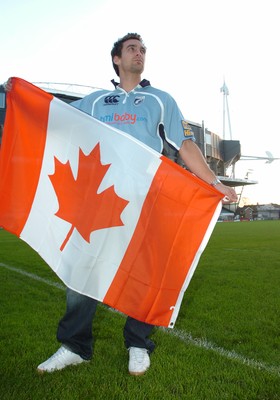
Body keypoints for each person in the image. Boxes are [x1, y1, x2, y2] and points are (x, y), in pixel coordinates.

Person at [4, 33, 237, 376]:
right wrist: (20, 93)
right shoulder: (97, 101)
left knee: (144, 274)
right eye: (132, 49)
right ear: (116, 59)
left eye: (143, 49)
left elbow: (185, 146)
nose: (139, 53)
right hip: (98, 204)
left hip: (145, 202)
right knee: (82, 271)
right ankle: (74, 346)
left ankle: (138, 344)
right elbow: (55, 118)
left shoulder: (160, 100)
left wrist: (214, 182)